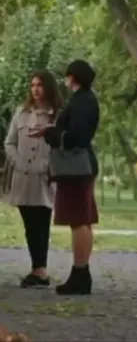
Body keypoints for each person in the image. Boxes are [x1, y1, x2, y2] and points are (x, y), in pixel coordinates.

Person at [28, 60, 100, 295]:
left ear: (72, 77)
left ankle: (80, 273)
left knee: (78, 220)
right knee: (83, 221)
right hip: (82, 166)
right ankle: (81, 272)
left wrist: (51, 134)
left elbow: (75, 137)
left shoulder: (80, 102)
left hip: (75, 168)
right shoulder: (87, 99)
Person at [4, 70, 63, 288]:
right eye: (33, 85)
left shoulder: (57, 115)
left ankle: (41, 270)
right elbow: (9, 142)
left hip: (44, 178)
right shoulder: (21, 113)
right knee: (29, 224)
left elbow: (61, 145)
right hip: (22, 177)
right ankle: (37, 269)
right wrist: (17, 161)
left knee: (41, 222)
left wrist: (49, 165)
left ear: (48, 87)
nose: (36, 89)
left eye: (40, 85)